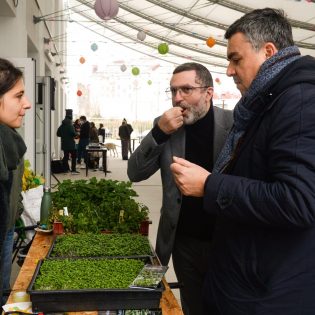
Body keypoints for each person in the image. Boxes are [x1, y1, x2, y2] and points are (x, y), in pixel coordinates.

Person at [170, 8, 315, 315]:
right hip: (247, 279)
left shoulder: (300, 101)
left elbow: (299, 200)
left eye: (236, 59)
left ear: (269, 52)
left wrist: (209, 185)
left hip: (269, 291)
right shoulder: (267, 102)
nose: (229, 70)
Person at [127, 62, 233, 315]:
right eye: (173, 91)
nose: (178, 98)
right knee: (192, 305)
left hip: (226, 239)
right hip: (183, 241)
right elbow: (135, 172)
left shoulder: (233, 123)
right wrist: (160, 133)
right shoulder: (164, 126)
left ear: (208, 92)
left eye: (186, 89)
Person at [0, 58, 31, 304]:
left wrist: (17, 210)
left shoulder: (9, 139)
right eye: (18, 96)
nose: (27, 104)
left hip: (7, 227)